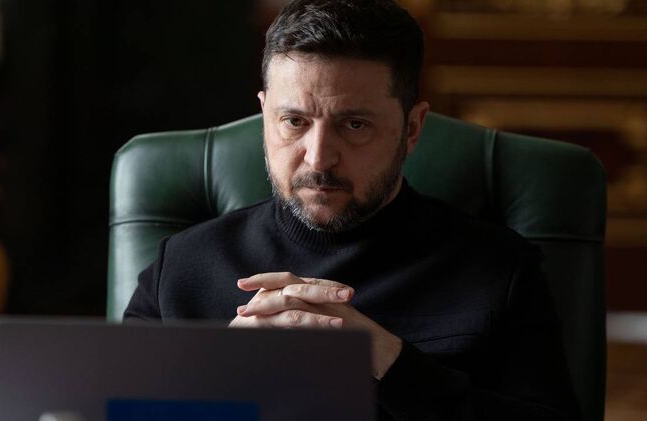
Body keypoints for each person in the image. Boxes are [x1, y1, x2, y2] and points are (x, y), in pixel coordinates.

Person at [124, 0, 580, 419]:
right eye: (294, 122)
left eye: (354, 124)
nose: (319, 158)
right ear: (265, 116)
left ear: (412, 128)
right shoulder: (178, 270)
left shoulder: (500, 271)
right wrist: (219, 376)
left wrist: (388, 360)